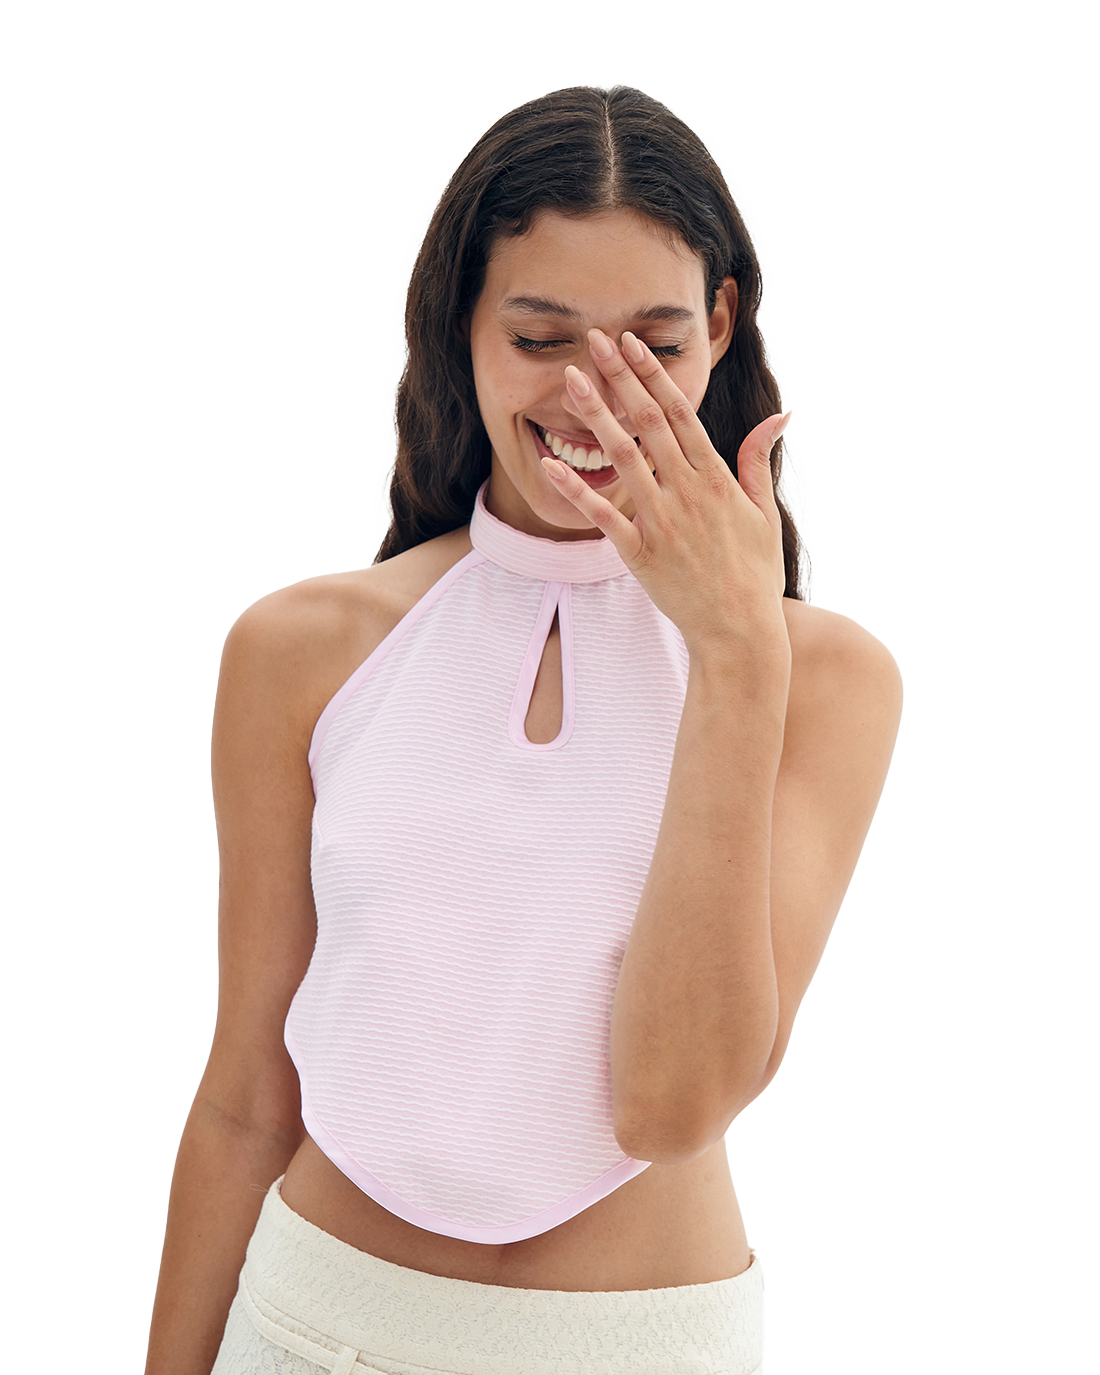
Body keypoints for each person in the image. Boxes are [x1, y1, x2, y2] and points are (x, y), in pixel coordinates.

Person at [145, 83, 902, 1375]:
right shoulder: (299, 653)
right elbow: (243, 1101)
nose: (597, 396)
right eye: (542, 337)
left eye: (654, 344)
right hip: (310, 1326)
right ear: (462, 325)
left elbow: (669, 1103)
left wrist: (734, 652)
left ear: (722, 324)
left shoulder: (821, 680)